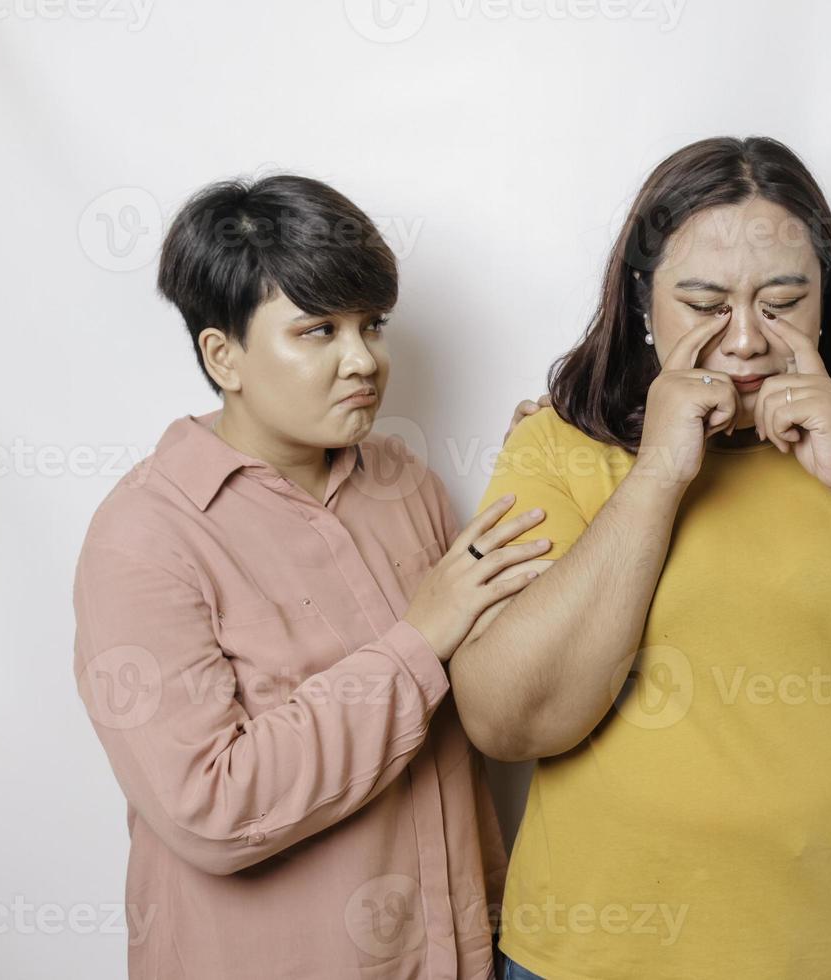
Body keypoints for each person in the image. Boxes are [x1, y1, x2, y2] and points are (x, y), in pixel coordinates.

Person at [449, 136, 831, 980]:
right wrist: (657, 475)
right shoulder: (554, 446)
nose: (748, 339)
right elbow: (509, 721)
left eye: (784, 300)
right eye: (705, 302)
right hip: (595, 955)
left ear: (826, 302)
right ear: (644, 303)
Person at [72, 174, 542, 978]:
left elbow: (494, 691)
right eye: (318, 331)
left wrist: (536, 485)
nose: (364, 361)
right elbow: (212, 808)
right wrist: (415, 640)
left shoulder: (405, 482)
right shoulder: (145, 537)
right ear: (224, 356)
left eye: (374, 326)